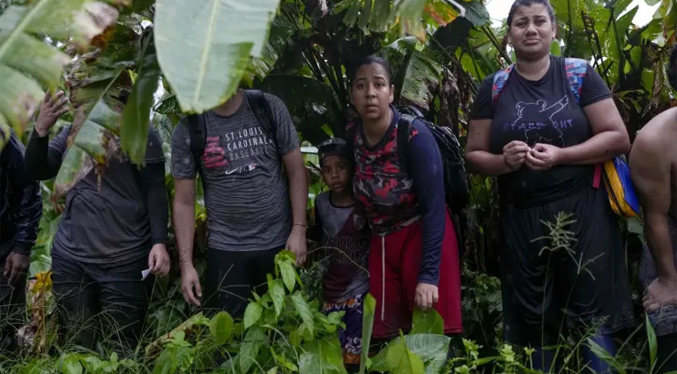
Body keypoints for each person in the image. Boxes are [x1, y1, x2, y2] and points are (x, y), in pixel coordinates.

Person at [466, 0, 634, 371]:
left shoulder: (578, 74)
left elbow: (618, 137)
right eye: (521, 23)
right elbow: (473, 155)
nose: (531, 29)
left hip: (583, 210)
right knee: (533, 317)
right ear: (509, 34)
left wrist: (562, 155)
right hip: (521, 216)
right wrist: (502, 162)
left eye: (540, 21)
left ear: (553, 30)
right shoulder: (493, 87)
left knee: (593, 310)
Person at [24, 91, 170, 356]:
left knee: (121, 348)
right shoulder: (75, 130)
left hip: (125, 259)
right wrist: (41, 129)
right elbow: (37, 170)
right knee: (77, 346)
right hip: (72, 258)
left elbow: (155, 190)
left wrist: (159, 242)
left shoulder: (141, 131)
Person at [345, 56, 463, 344]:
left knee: (432, 338)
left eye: (379, 84)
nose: (370, 93)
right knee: (387, 340)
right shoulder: (352, 137)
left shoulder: (413, 135)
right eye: (361, 86)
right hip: (382, 241)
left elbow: (435, 207)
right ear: (352, 95)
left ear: (392, 92)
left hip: (422, 234)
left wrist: (429, 275)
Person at [171, 88, 308, 320]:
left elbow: (296, 171)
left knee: (285, 329)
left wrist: (299, 229)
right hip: (226, 248)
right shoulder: (190, 127)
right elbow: (184, 201)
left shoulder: (268, 107)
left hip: (279, 244)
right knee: (229, 339)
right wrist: (187, 265)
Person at [631, 45, 677, 374]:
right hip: (671, 239)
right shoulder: (655, 140)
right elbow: (656, 217)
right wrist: (668, 279)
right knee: (669, 324)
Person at [309, 138, 370, 372]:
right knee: (331, 354)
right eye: (327, 170)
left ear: (353, 168)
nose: (334, 175)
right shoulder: (322, 203)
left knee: (356, 358)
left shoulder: (364, 202)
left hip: (359, 290)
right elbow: (316, 240)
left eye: (341, 167)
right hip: (331, 291)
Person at [0, 131, 42, 354]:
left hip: (4, 248)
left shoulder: (2, 135)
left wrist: (22, 246)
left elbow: (28, 184)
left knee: (6, 328)